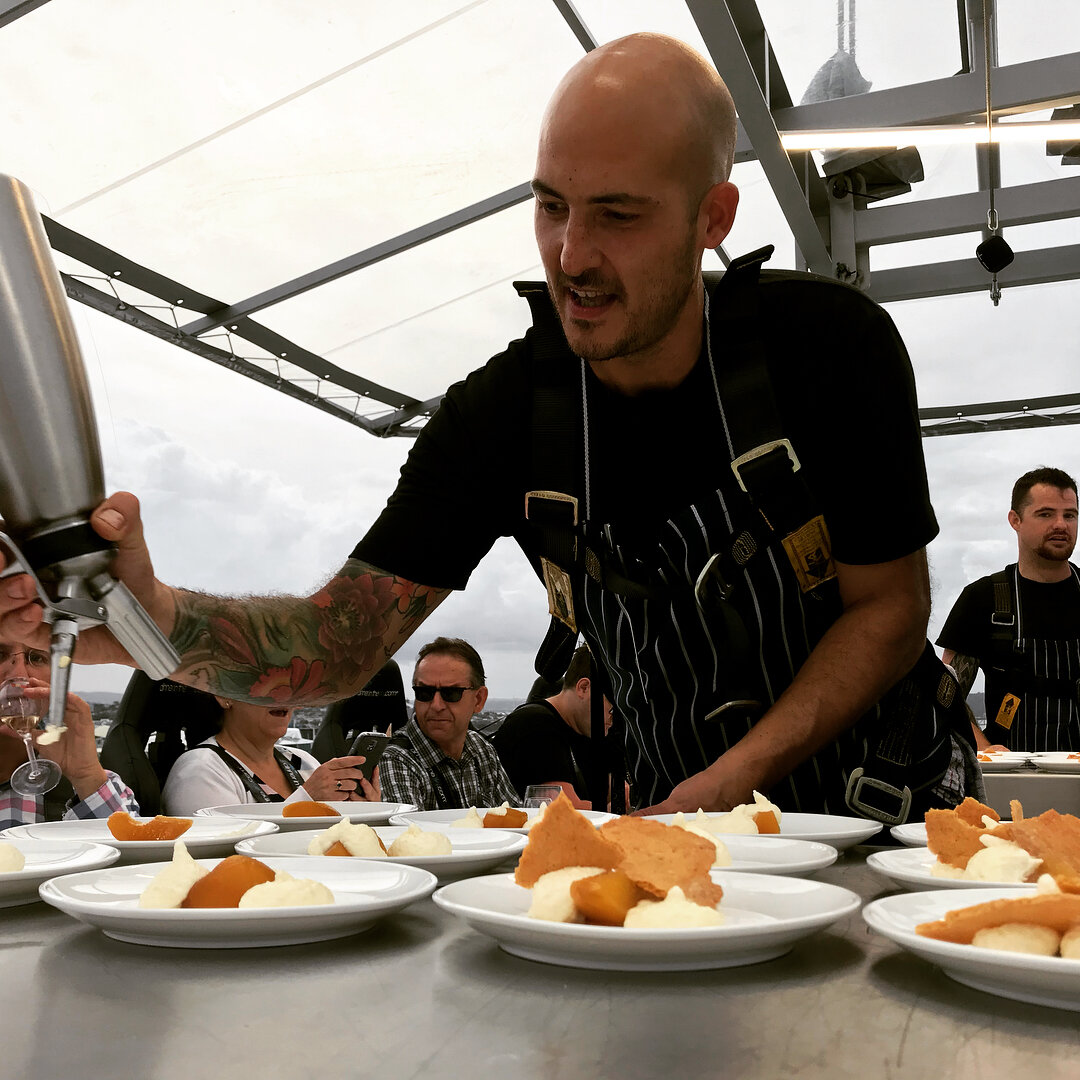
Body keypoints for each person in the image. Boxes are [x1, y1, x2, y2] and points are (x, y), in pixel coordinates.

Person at [0, 33, 966, 820]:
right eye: (551, 206)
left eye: (618, 215)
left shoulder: (828, 349)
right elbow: (336, 642)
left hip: (882, 816)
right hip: (686, 828)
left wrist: (735, 777)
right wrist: (137, 616)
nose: (572, 255)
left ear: (712, 217)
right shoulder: (503, 417)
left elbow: (889, 609)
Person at [938, 466, 1080, 752]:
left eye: (1070, 515)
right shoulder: (983, 599)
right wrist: (985, 750)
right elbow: (945, 696)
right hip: (1008, 769)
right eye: (1045, 514)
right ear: (1015, 520)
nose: (1061, 525)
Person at [0, 641, 139, 830]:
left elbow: (131, 842)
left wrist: (86, 776)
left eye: (37, 658)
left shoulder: (97, 785)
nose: (20, 676)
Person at [162, 695, 379, 815]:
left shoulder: (303, 761)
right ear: (225, 696)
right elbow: (229, 859)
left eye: (292, 686)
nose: (286, 695)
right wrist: (307, 801)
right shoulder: (198, 770)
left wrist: (365, 813)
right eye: (269, 681)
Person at [378, 638, 519, 810]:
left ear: (478, 699)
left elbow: (515, 818)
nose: (436, 705)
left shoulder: (481, 750)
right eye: (425, 692)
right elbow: (406, 827)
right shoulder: (396, 759)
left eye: (451, 693)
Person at [493, 645, 611, 804]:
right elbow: (565, 810)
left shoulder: (587, 728)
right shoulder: (535, 725)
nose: (616, 719)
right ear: (584, 688)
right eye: (613, 709)